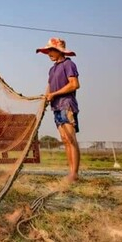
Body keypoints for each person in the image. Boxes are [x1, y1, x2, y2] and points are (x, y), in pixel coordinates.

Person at [36, 37, 81, 183]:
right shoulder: (52, 69)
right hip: (55, 106)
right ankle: (71, 172)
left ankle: (74, 173)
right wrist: (45, 99)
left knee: (71, 139)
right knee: (65, 140)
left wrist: (54, 94)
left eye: (51, 50)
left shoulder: (69, 64)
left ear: (59, 51)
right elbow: (49, 86)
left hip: (66, 104)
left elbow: (74, 84)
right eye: (48, 50)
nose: (49, 53)